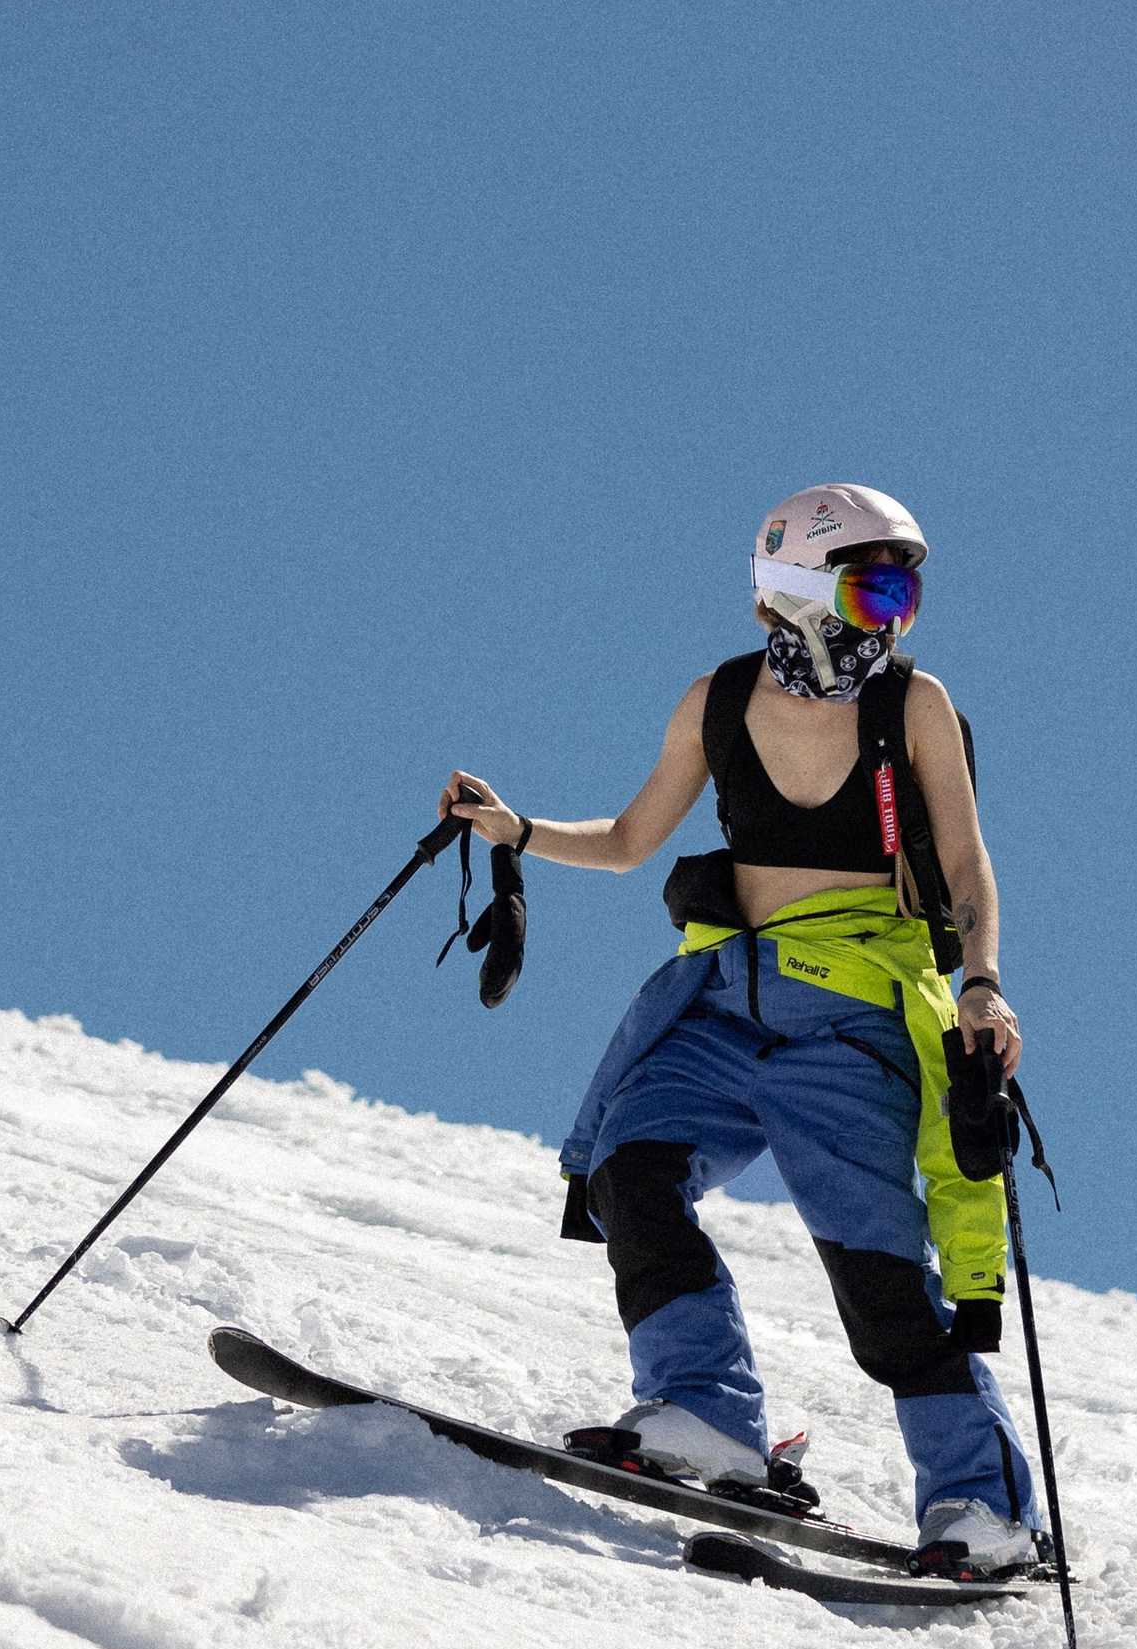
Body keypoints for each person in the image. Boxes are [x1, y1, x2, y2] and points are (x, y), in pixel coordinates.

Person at [443, 483, 1040, 1579]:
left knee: (880, 1278)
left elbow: (964, 863)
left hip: (852, 1022)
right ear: (799, 588)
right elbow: (629, 841)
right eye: (873, 584)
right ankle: (706, 1413)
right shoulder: (715, 701)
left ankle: (983, 1510)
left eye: (905, 588)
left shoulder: (912, 704)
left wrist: (984, 982)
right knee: (633, 1166)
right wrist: (518, 829)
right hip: (725, 1005)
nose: (895, 613)